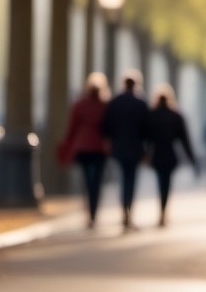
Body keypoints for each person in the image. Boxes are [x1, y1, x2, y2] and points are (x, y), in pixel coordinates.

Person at [57, 72, 110, 228]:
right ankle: (94, 211)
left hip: (84, 147)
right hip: (100, 148)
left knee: (87, 181)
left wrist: (68, 143)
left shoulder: (79, 105)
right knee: (97, 182)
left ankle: (89, 211)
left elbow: (72, 127)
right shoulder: (105, 106)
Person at [101, 69, 150, 230]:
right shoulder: (141, 103)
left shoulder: (115, 102)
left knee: (123, 179)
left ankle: (124, 210)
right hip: (135, 148)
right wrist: (146, 149)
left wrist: (111, 141)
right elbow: (146, 129)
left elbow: (107, 126)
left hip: (119, 147)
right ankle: (129, 211)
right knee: (132, 179)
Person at [147, 84, 196, 227]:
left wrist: (144, 153)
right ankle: (164, 211)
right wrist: (191, 157)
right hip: (170, 154)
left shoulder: (152, 115)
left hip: (157, 154)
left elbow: (146, 136)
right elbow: (184, 139)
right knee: (166, 183)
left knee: (160, 182)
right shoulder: (176, 116)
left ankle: (161, 210)